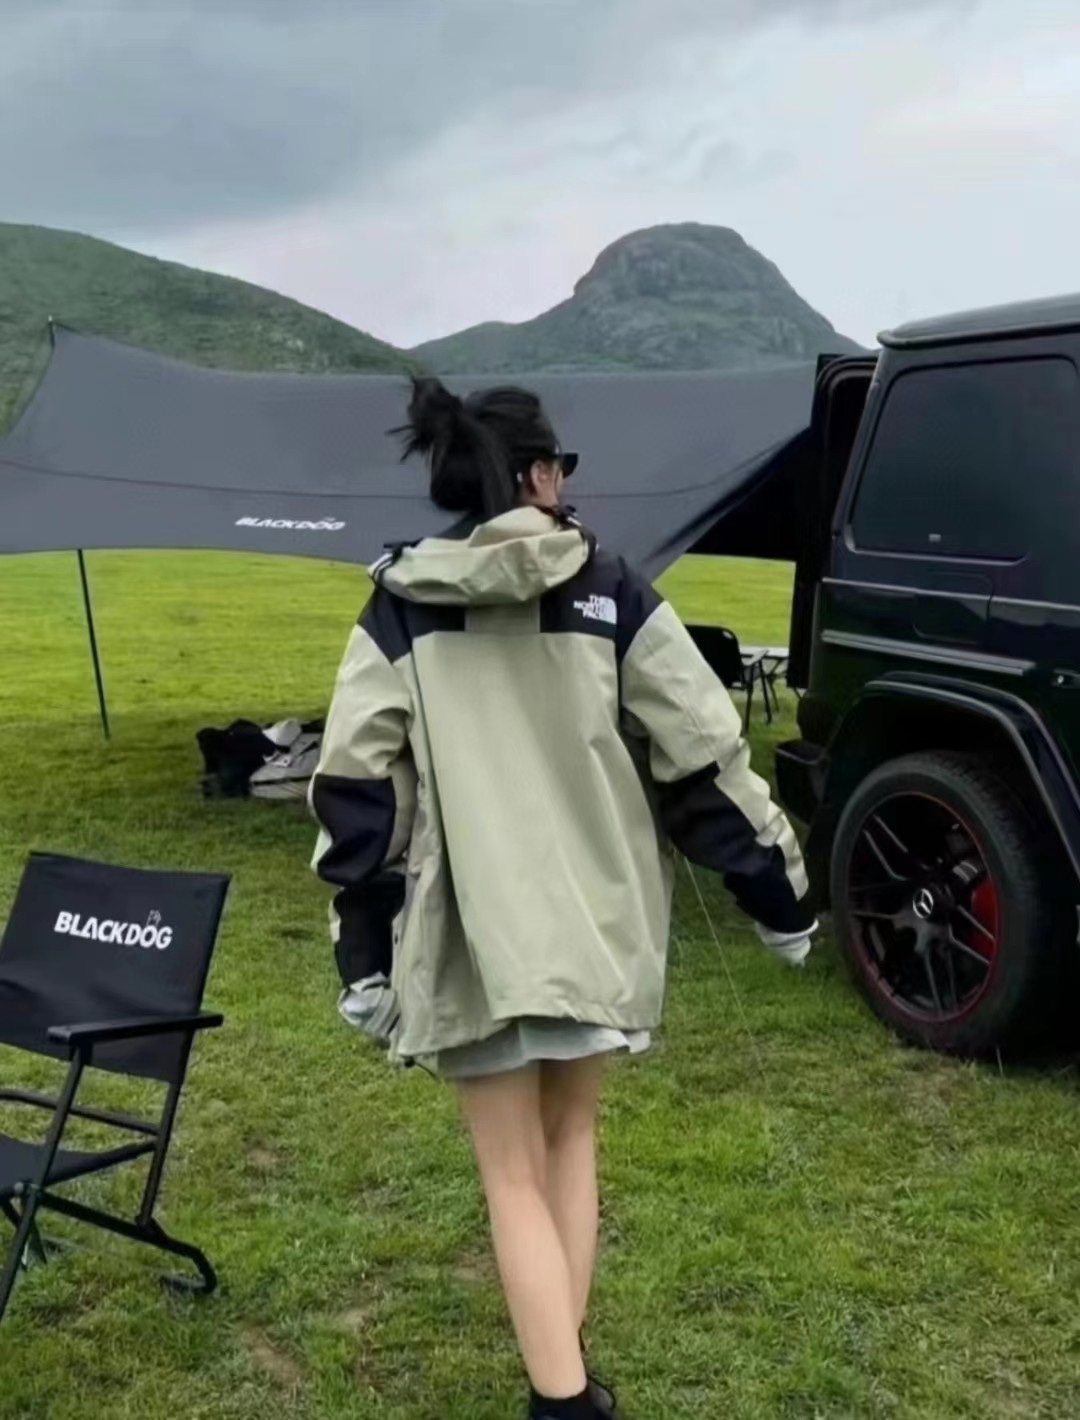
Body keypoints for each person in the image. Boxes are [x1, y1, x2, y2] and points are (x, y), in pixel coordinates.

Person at [310, 377, 816, 1420]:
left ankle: (563, 1392)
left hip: (471, 937)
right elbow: (704, 756)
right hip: (597, 923)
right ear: (539, 473)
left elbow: (358, 792)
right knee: (571, 1140)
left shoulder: (399, 605)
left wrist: (362, 950)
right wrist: (779, 893)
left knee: (511, 1173)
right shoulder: (613, 589)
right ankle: (566, 1387)